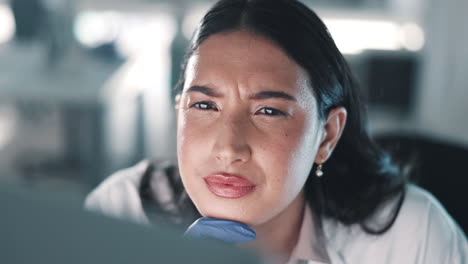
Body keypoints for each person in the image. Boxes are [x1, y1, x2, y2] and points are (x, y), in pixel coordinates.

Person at [85, 0, 468, 263]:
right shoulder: (119, 213)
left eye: (269, 111)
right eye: (204, 105)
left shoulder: (409, 237)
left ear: (327, 136)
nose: (229, 147)